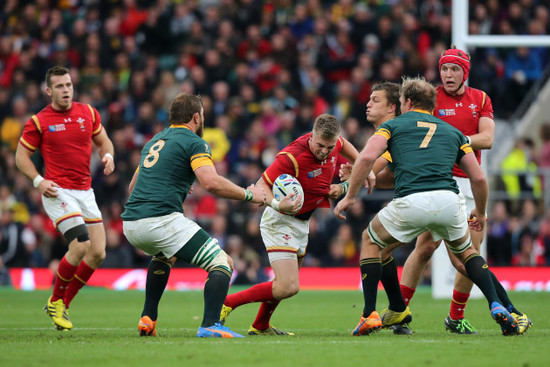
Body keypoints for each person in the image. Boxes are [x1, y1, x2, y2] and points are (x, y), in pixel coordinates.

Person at [334, 76, 521, 337]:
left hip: (412, 200)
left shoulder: (395, 127)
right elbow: (479, 177)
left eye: (399, 102)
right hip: (449, 200)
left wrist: (349, 195)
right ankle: (498, 305)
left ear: (407, 102)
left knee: (371, 241)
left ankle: (370, 314)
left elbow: (368, 158)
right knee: (467, 254)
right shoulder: (453, 132)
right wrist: (480, 211)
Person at [397, 47, 530, 335]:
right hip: (437, 180)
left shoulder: (480, 98)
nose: (448, 75)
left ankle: (455, 317)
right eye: (444, 69)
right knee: (425, 248)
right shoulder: (430, 97)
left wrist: (451, 139)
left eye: (454, 69)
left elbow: (488, 138)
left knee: (472, 254)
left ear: (465, 73)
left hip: (469, 185)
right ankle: (400, 313)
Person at [121, 93, 266, 338]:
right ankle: (210, 325)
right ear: (196, 117)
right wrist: (249, 195)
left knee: (166, 256)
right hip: (161, 220)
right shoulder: (195, 142)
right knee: (223, 263)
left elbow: (132, 188)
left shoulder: (154, 141)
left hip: (131, 223)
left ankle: (148, 319)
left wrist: (172, 181)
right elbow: (211, 183)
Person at [219, 113, 364, 335]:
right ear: (311, 135)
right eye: (320, 146)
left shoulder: (335, 143)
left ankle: (260, 326)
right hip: (281, 221)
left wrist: (359, 165)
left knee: (282, 286)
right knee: (289, 286)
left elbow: (345, 146)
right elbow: (261, 186)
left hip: (303, 222)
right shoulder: (292, 156)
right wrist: (278, 205)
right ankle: (228, 302)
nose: (324, 151)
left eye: (329, 146)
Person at [15, 66, 115, 330]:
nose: (66, 90)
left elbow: (105, 142)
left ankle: (63, 305)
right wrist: (38, 181)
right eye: (60, 86)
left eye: (69, 85)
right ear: (49, 91)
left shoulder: (88, 113)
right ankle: (55, 299)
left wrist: (108, 156)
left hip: (85, 190)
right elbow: (20, 157)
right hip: (57, 190)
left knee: (97, 253)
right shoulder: (39, 121)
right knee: (81, 244)